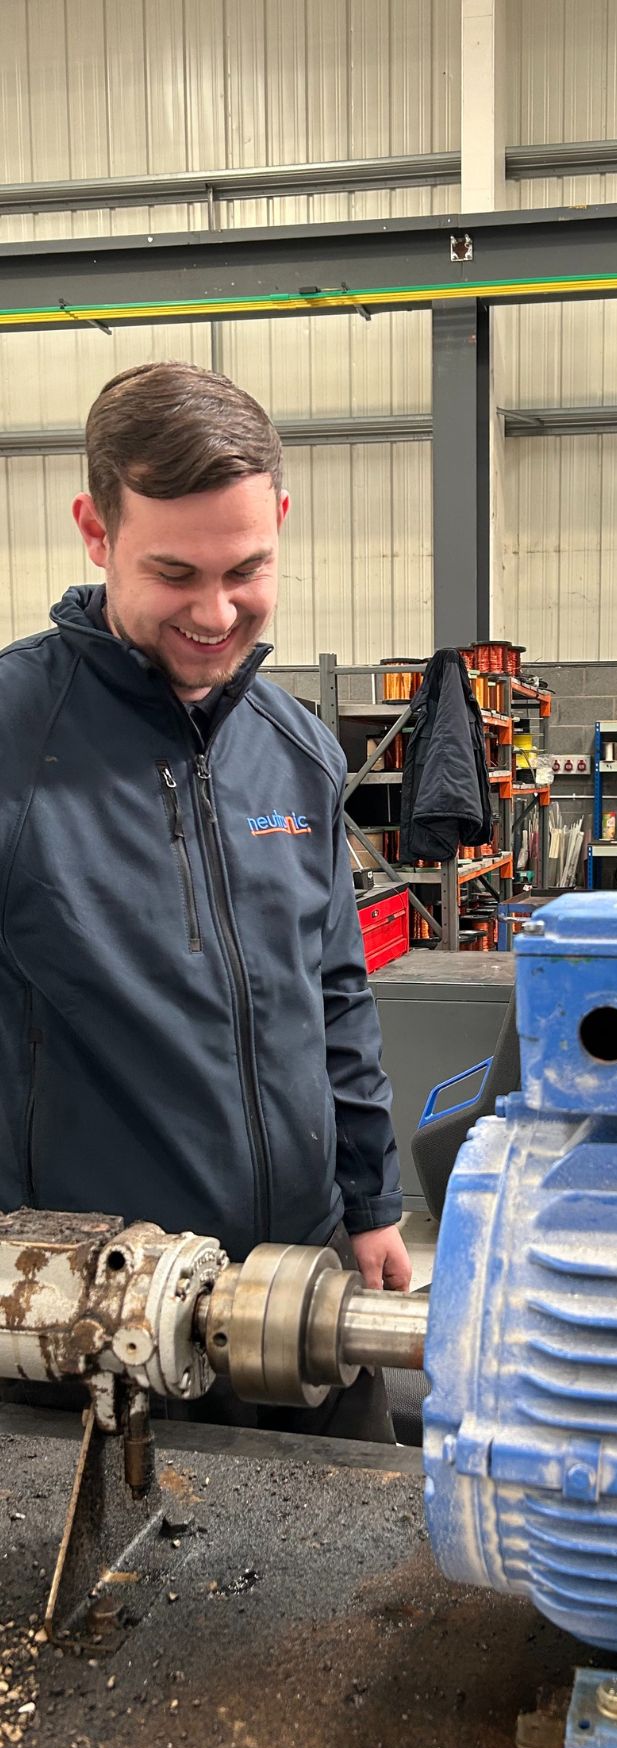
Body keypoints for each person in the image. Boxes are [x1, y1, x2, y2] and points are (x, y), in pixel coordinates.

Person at [0, 361, 410, 1427]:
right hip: (99, 1325)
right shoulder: (12, 746)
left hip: (303, 1292)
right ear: (96, 531)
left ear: (278, 517)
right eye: (174, 572)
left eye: (248, 567)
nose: (216, 612)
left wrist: (370, 1206)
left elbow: (335, 995)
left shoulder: (298, 751)